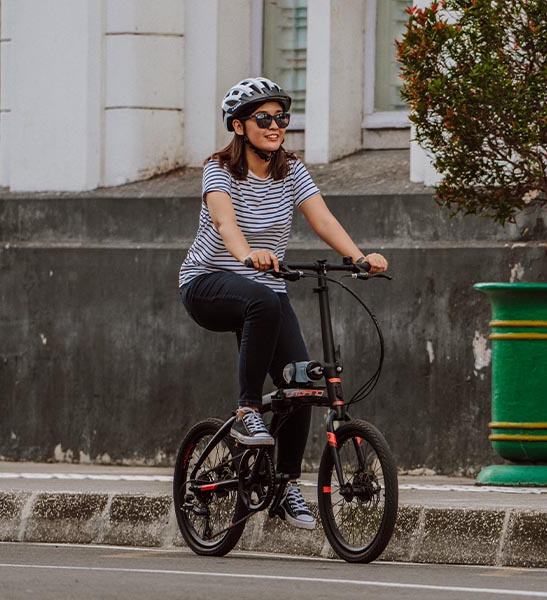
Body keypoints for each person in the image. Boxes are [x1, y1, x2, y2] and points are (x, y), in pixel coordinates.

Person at [179, 77, 388, 530]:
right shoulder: (218, 169)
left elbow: (322, 217)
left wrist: (357, 257)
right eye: (264, 118)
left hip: (264, 294)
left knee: (304, 382)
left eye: (281, 118)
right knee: (262, 299)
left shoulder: (291, 170)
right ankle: (247, 411)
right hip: (207, 283)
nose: (275, 126)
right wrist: (246, 255)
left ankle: (286, 485)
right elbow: (224, 221)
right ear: (238, 125)